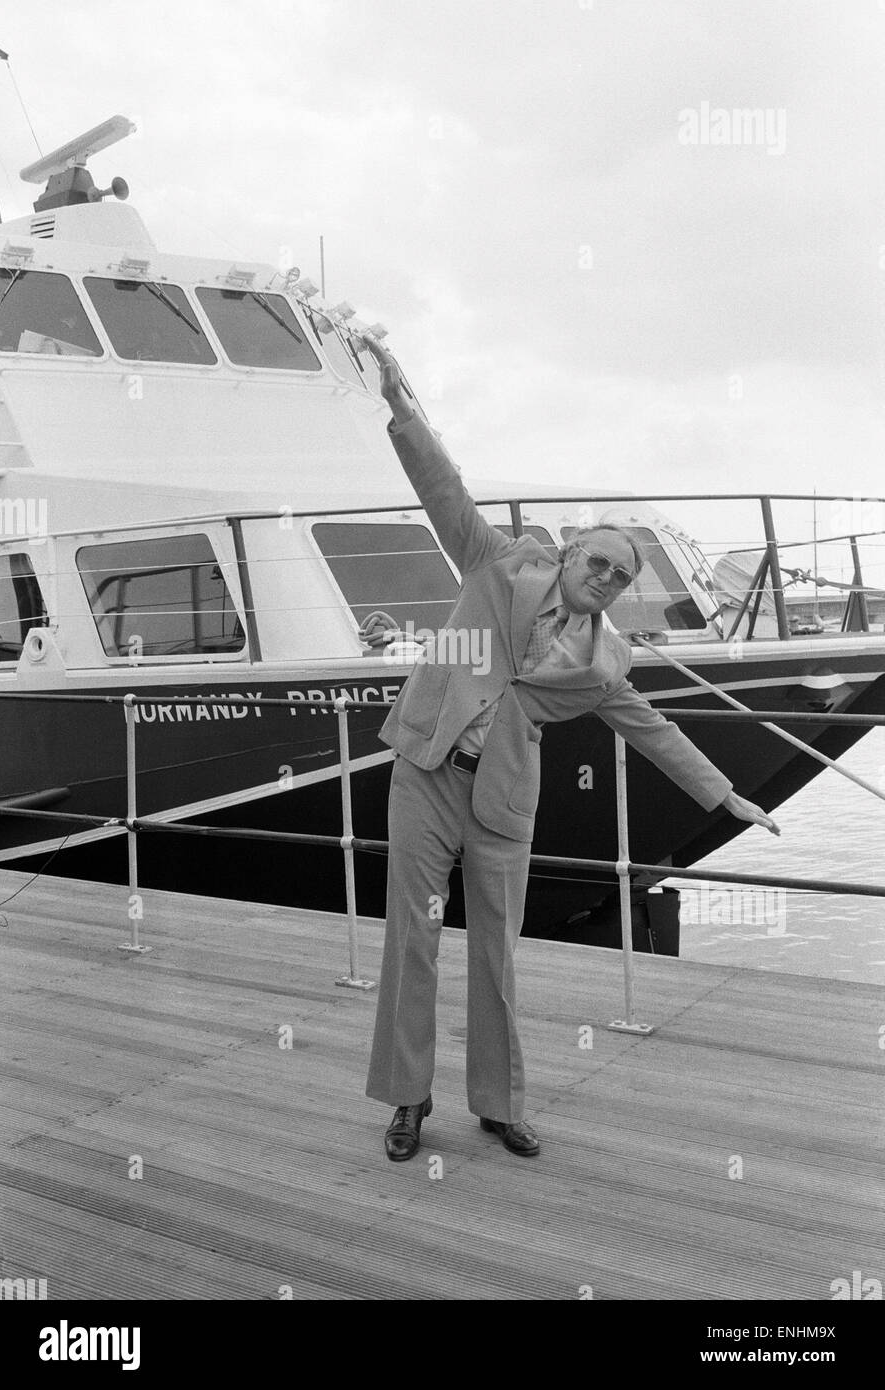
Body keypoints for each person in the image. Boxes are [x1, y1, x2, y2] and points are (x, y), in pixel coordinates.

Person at [361, 335, 780, 1163]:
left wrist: (726, 796)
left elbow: (652, 729)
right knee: (411, 937)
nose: (607, 579)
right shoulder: (494, 564)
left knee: (497, 951)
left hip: (504, 799)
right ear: (571, 550)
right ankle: (409, 1098)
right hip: (427, 771)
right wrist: (405, 415)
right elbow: (446, 493)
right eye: (600, 561)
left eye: (623, 576)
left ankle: (498, 1103)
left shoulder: (606, 662)